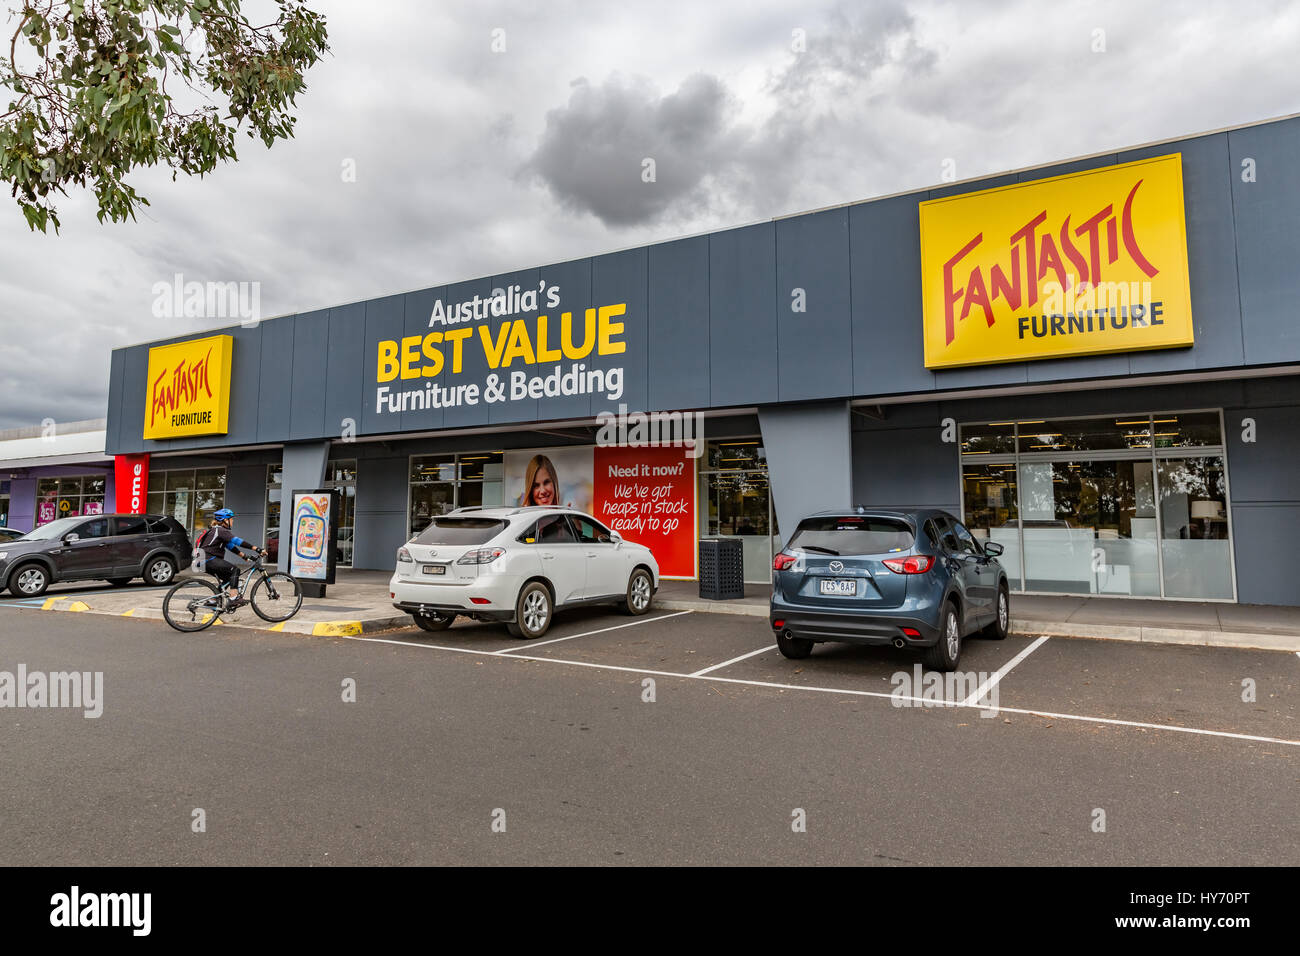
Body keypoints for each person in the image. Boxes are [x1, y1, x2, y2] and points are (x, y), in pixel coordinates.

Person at [197, 509, 267, 608]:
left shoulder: (216, 530)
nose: (232, 521)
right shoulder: (221, 530)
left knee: (229, 578)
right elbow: (237, 541)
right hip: (208, 559)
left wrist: (244, 556)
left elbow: (230, 546)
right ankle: (234, 599)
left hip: (202, 560)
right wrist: (257, 549)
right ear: (225, 520)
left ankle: (213, 600)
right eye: (231, 519)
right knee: (235, 570)